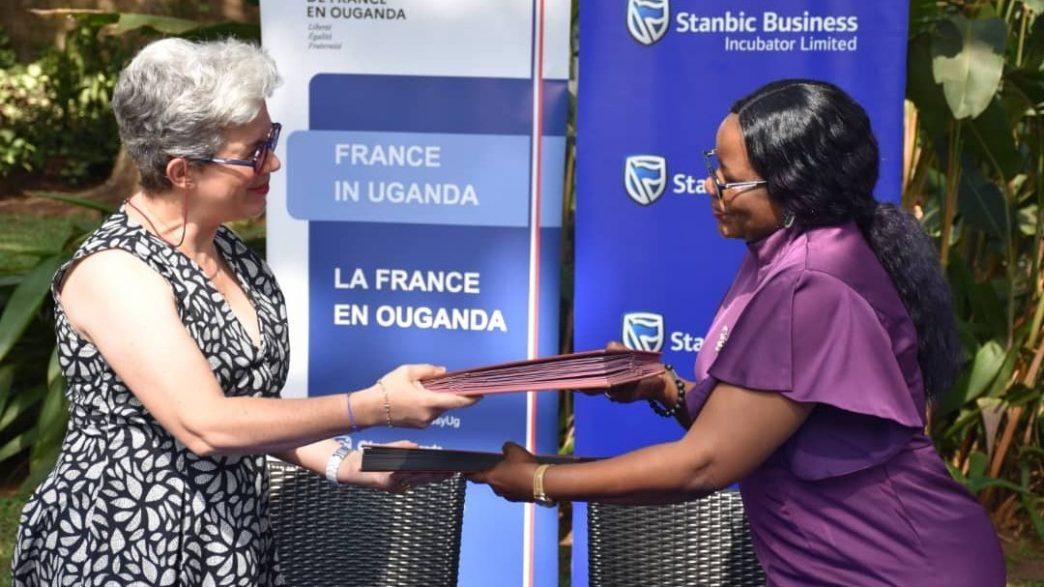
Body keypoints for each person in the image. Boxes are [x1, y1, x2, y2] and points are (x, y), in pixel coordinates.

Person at [470, 80, 1006, 585]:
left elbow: (703, 464)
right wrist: (663, 387)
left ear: (794, 186)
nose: (711, 186)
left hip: (898, 567)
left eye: (729, 178)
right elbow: (761, 431)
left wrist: (540, 481)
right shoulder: (781, 252)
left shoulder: (811, 284)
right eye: (713, 166)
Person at [12, 38, 476, 586]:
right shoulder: (115, 272)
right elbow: (207, 424)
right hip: (125, 542)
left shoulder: (226, 251)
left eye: (270, 138)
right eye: (253, 151)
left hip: (230, 535)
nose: (272, 162)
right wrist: (374, 406)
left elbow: (250, 409)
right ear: (183, 171)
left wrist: (341, 462)